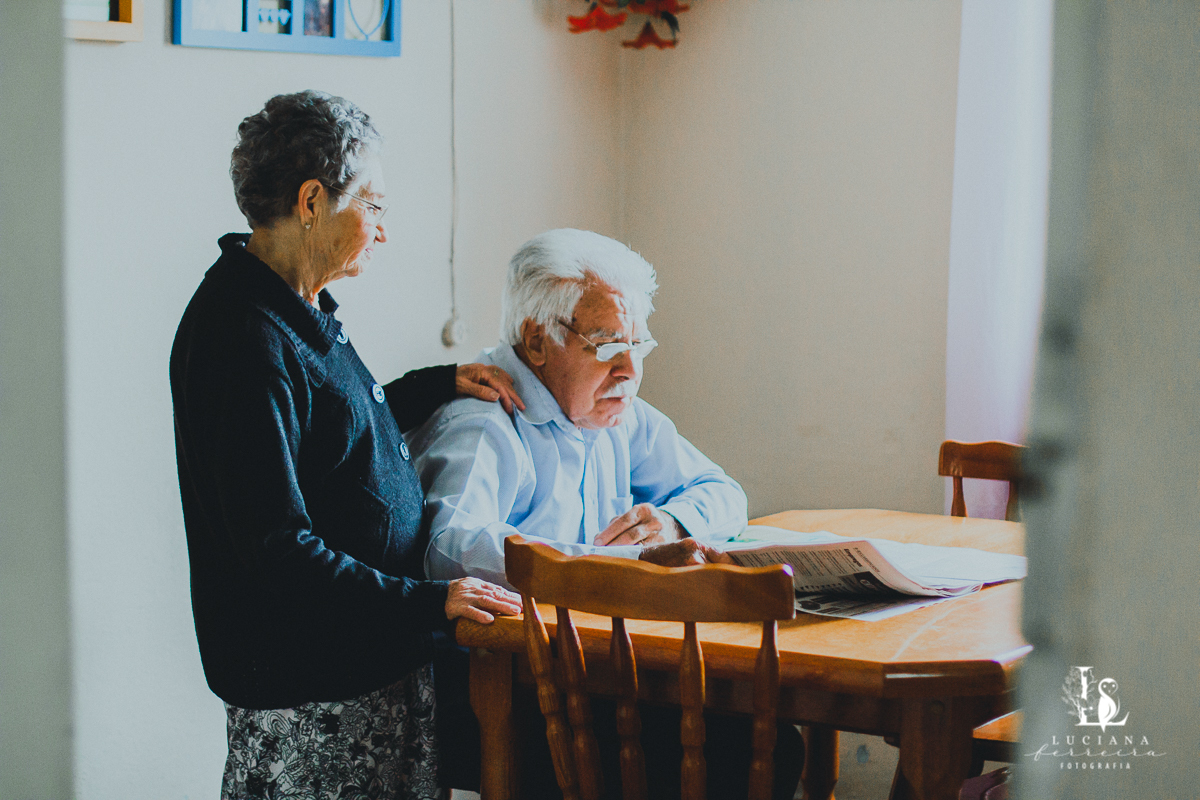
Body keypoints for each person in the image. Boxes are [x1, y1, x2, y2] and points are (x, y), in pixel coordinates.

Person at [169, 90, 522, 800]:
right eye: (376, 205)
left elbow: (329, 432)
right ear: (311, 200)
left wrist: (435, 384)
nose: (384, 230)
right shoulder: (243, 338)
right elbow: (277, 546)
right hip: (312, 694)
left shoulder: (293, 307)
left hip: (363, 672)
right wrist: (433, 602)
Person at [407, 228, 803, 799]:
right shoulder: (484, 420)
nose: (629, 372)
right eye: (607, 345)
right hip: (510, 695)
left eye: (638, 347)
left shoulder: (615, 408)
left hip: (598, 673)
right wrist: (624, 564)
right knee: (751, 751)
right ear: (536, 340)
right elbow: (449, 548)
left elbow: (721, 489)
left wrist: (673, 523)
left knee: (770, 741)